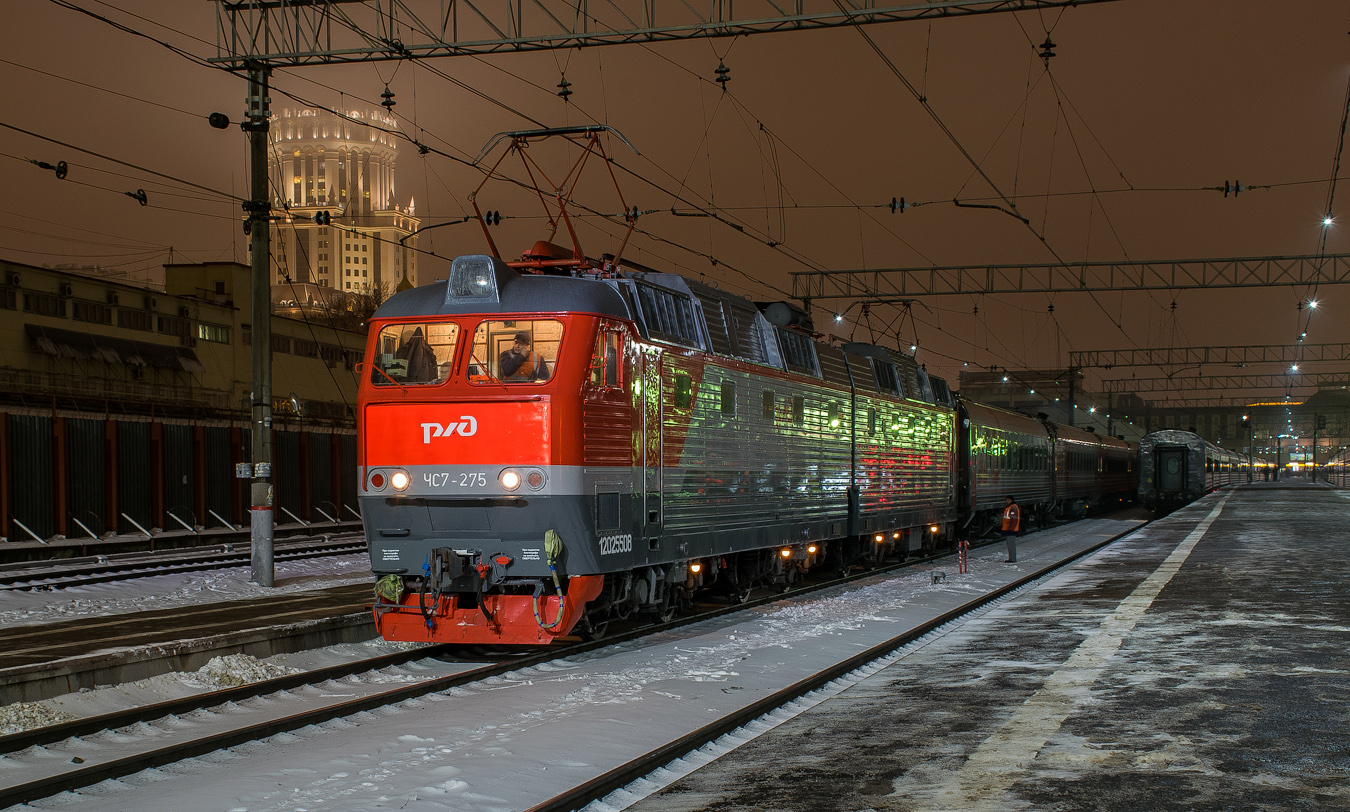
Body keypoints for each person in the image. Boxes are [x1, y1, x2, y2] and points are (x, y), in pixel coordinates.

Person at [1000, 495, 1021, 563]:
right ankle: (1011, 558)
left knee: (1011, 544)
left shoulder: (1013, 508)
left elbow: (1014, 519)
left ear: (1011, 500)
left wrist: (1010, 529)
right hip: (1009, 529)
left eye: (1008, 500)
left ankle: (1012, 559)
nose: (1007, 501)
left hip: (1011, 530)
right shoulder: (1010, 507)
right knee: (1010, 544)